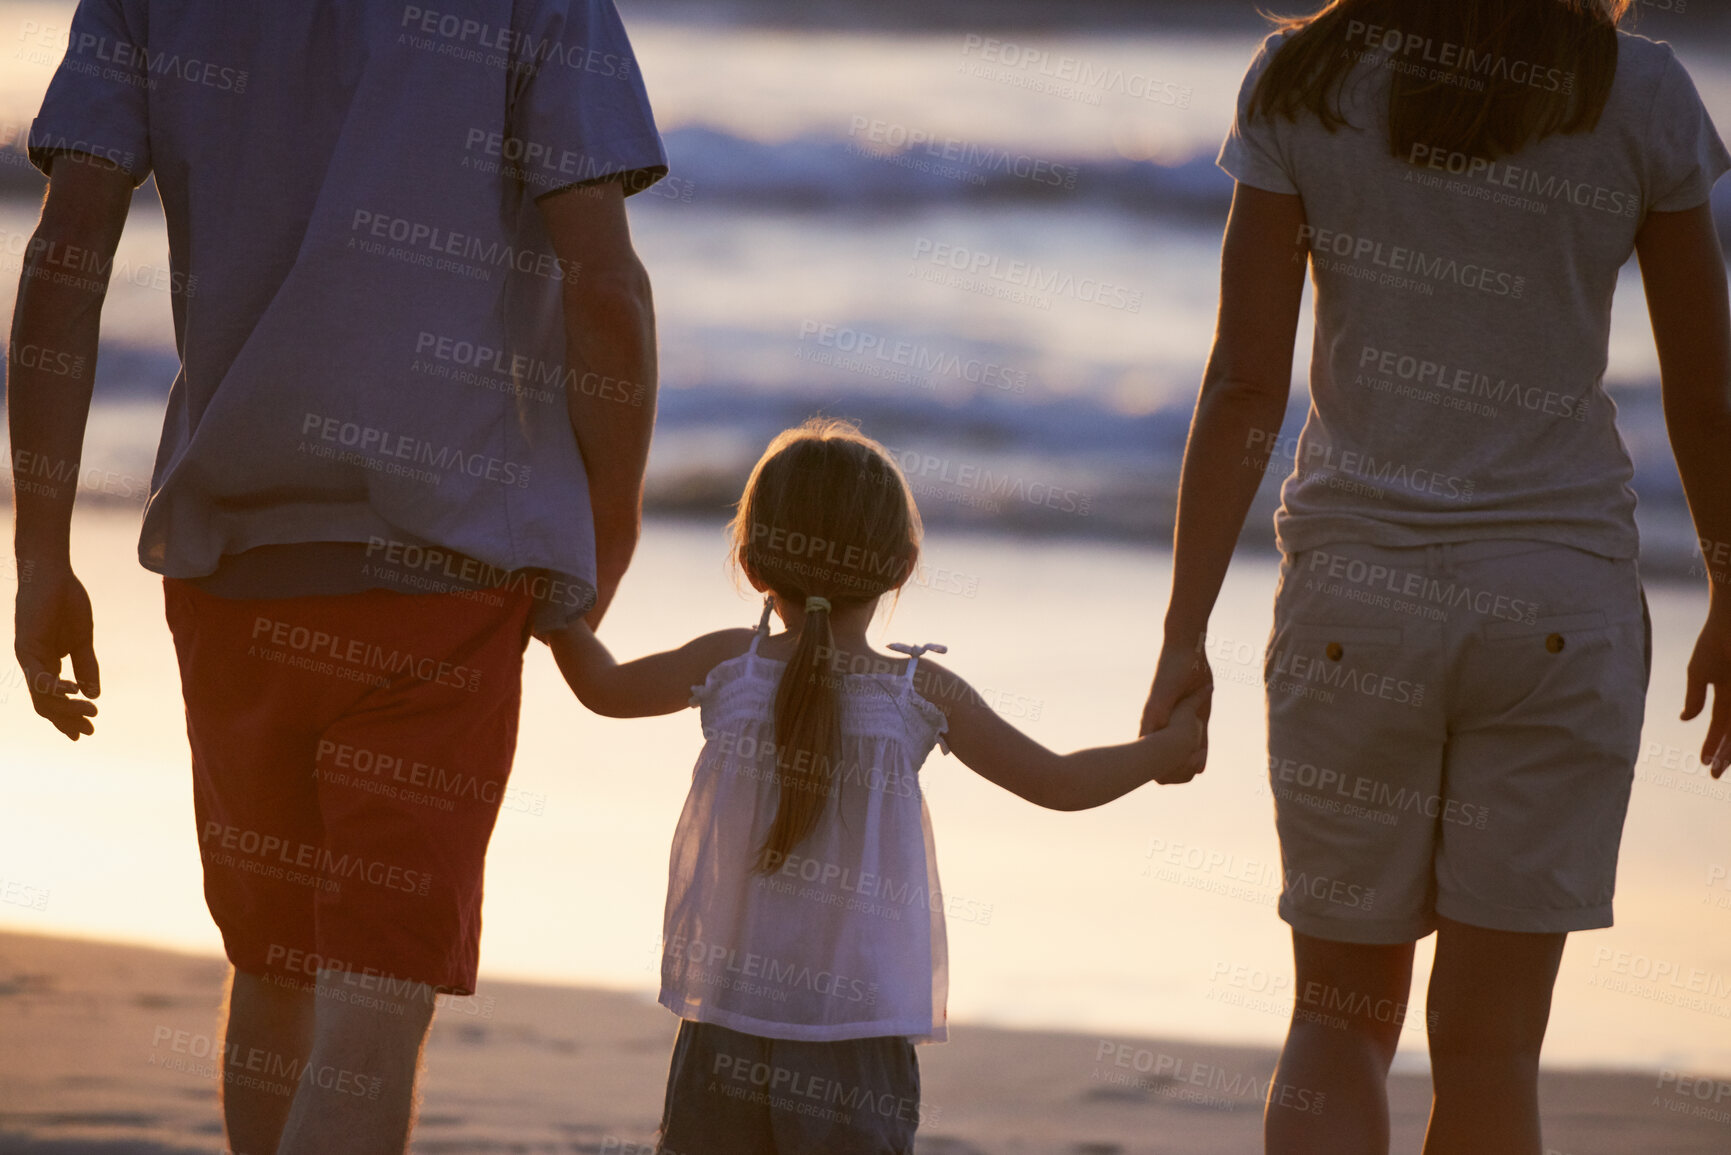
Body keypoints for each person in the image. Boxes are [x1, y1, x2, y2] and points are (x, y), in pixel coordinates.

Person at [8, 2, 666, 1151]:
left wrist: (42, 557)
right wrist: (608, 526)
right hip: (443, 574)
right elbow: (604, 280)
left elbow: (65, 263)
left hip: (234, 564)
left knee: (274, 971)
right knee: (375, 994)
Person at [1136, 2, 1731, 1152]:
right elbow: (1707, 392)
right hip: (1558, 603)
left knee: (1339, 1019)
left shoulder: (1303, 79)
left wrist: (1184, 627)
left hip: (1358, 604)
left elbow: (1244, 384)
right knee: (1492, 1050)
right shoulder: (1639, 89)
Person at [549, 418, 1209, 1155]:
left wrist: (553, 607)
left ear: (750, 559)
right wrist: (1162, 750)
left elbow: (602, 687)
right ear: (901, 566)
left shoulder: (728, 667)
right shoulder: (914, 692)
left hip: (725, 1018)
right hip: (855, 1034)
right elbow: (1055, 781)